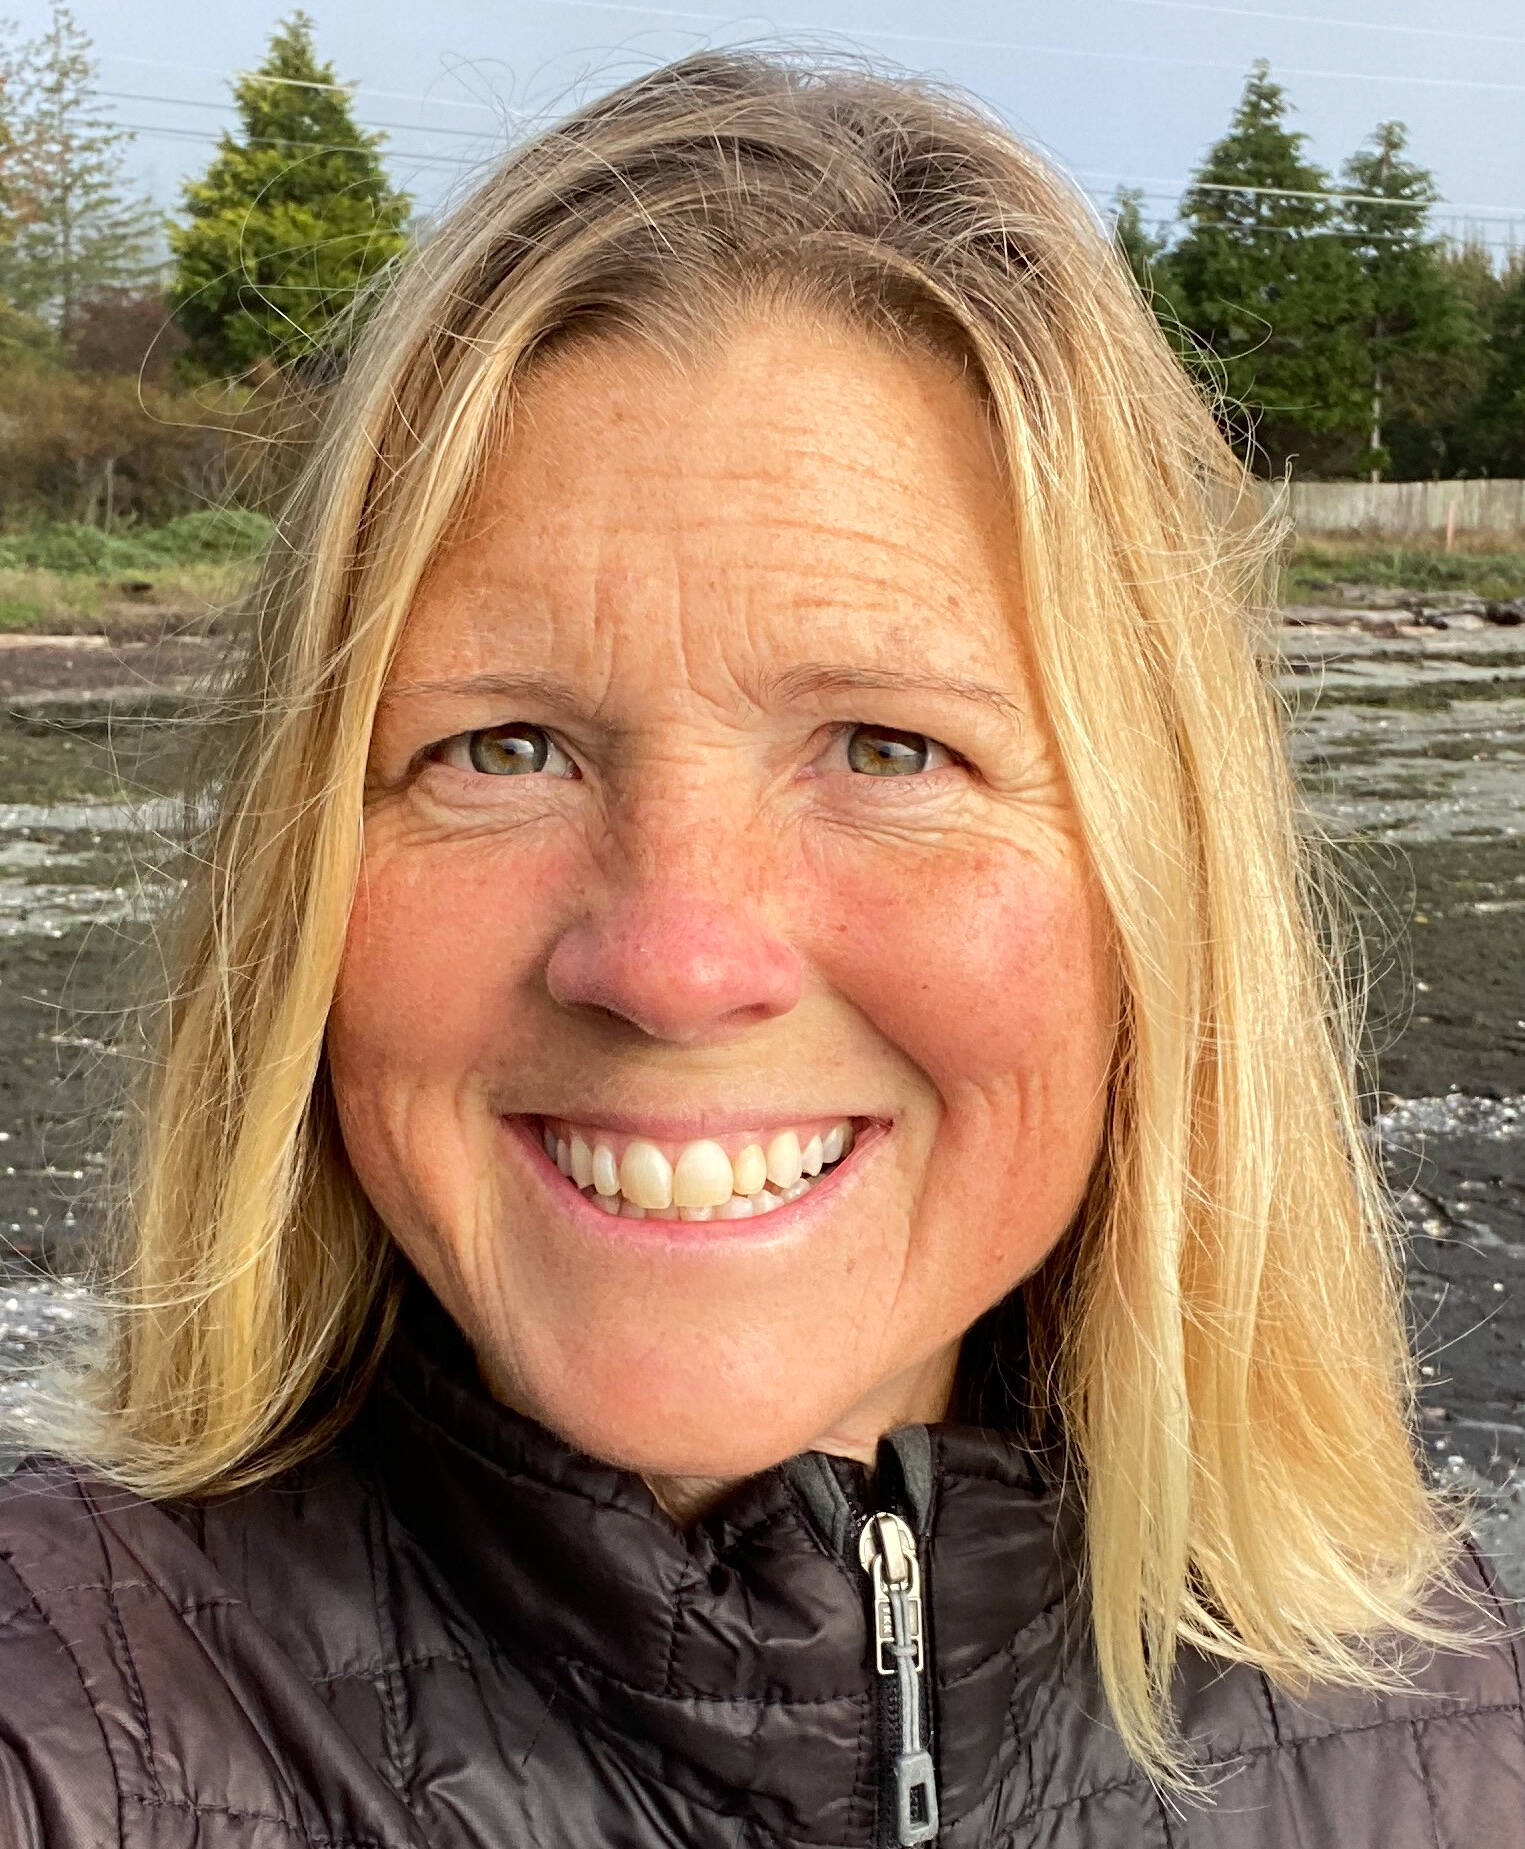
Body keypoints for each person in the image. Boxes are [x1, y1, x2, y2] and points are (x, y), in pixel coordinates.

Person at [0, 48, 1519, 1849]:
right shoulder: (64, 1737)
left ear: (1161, 898)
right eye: (503, 747)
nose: (672, 961)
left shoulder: (1444, 1714)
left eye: (888, 748)